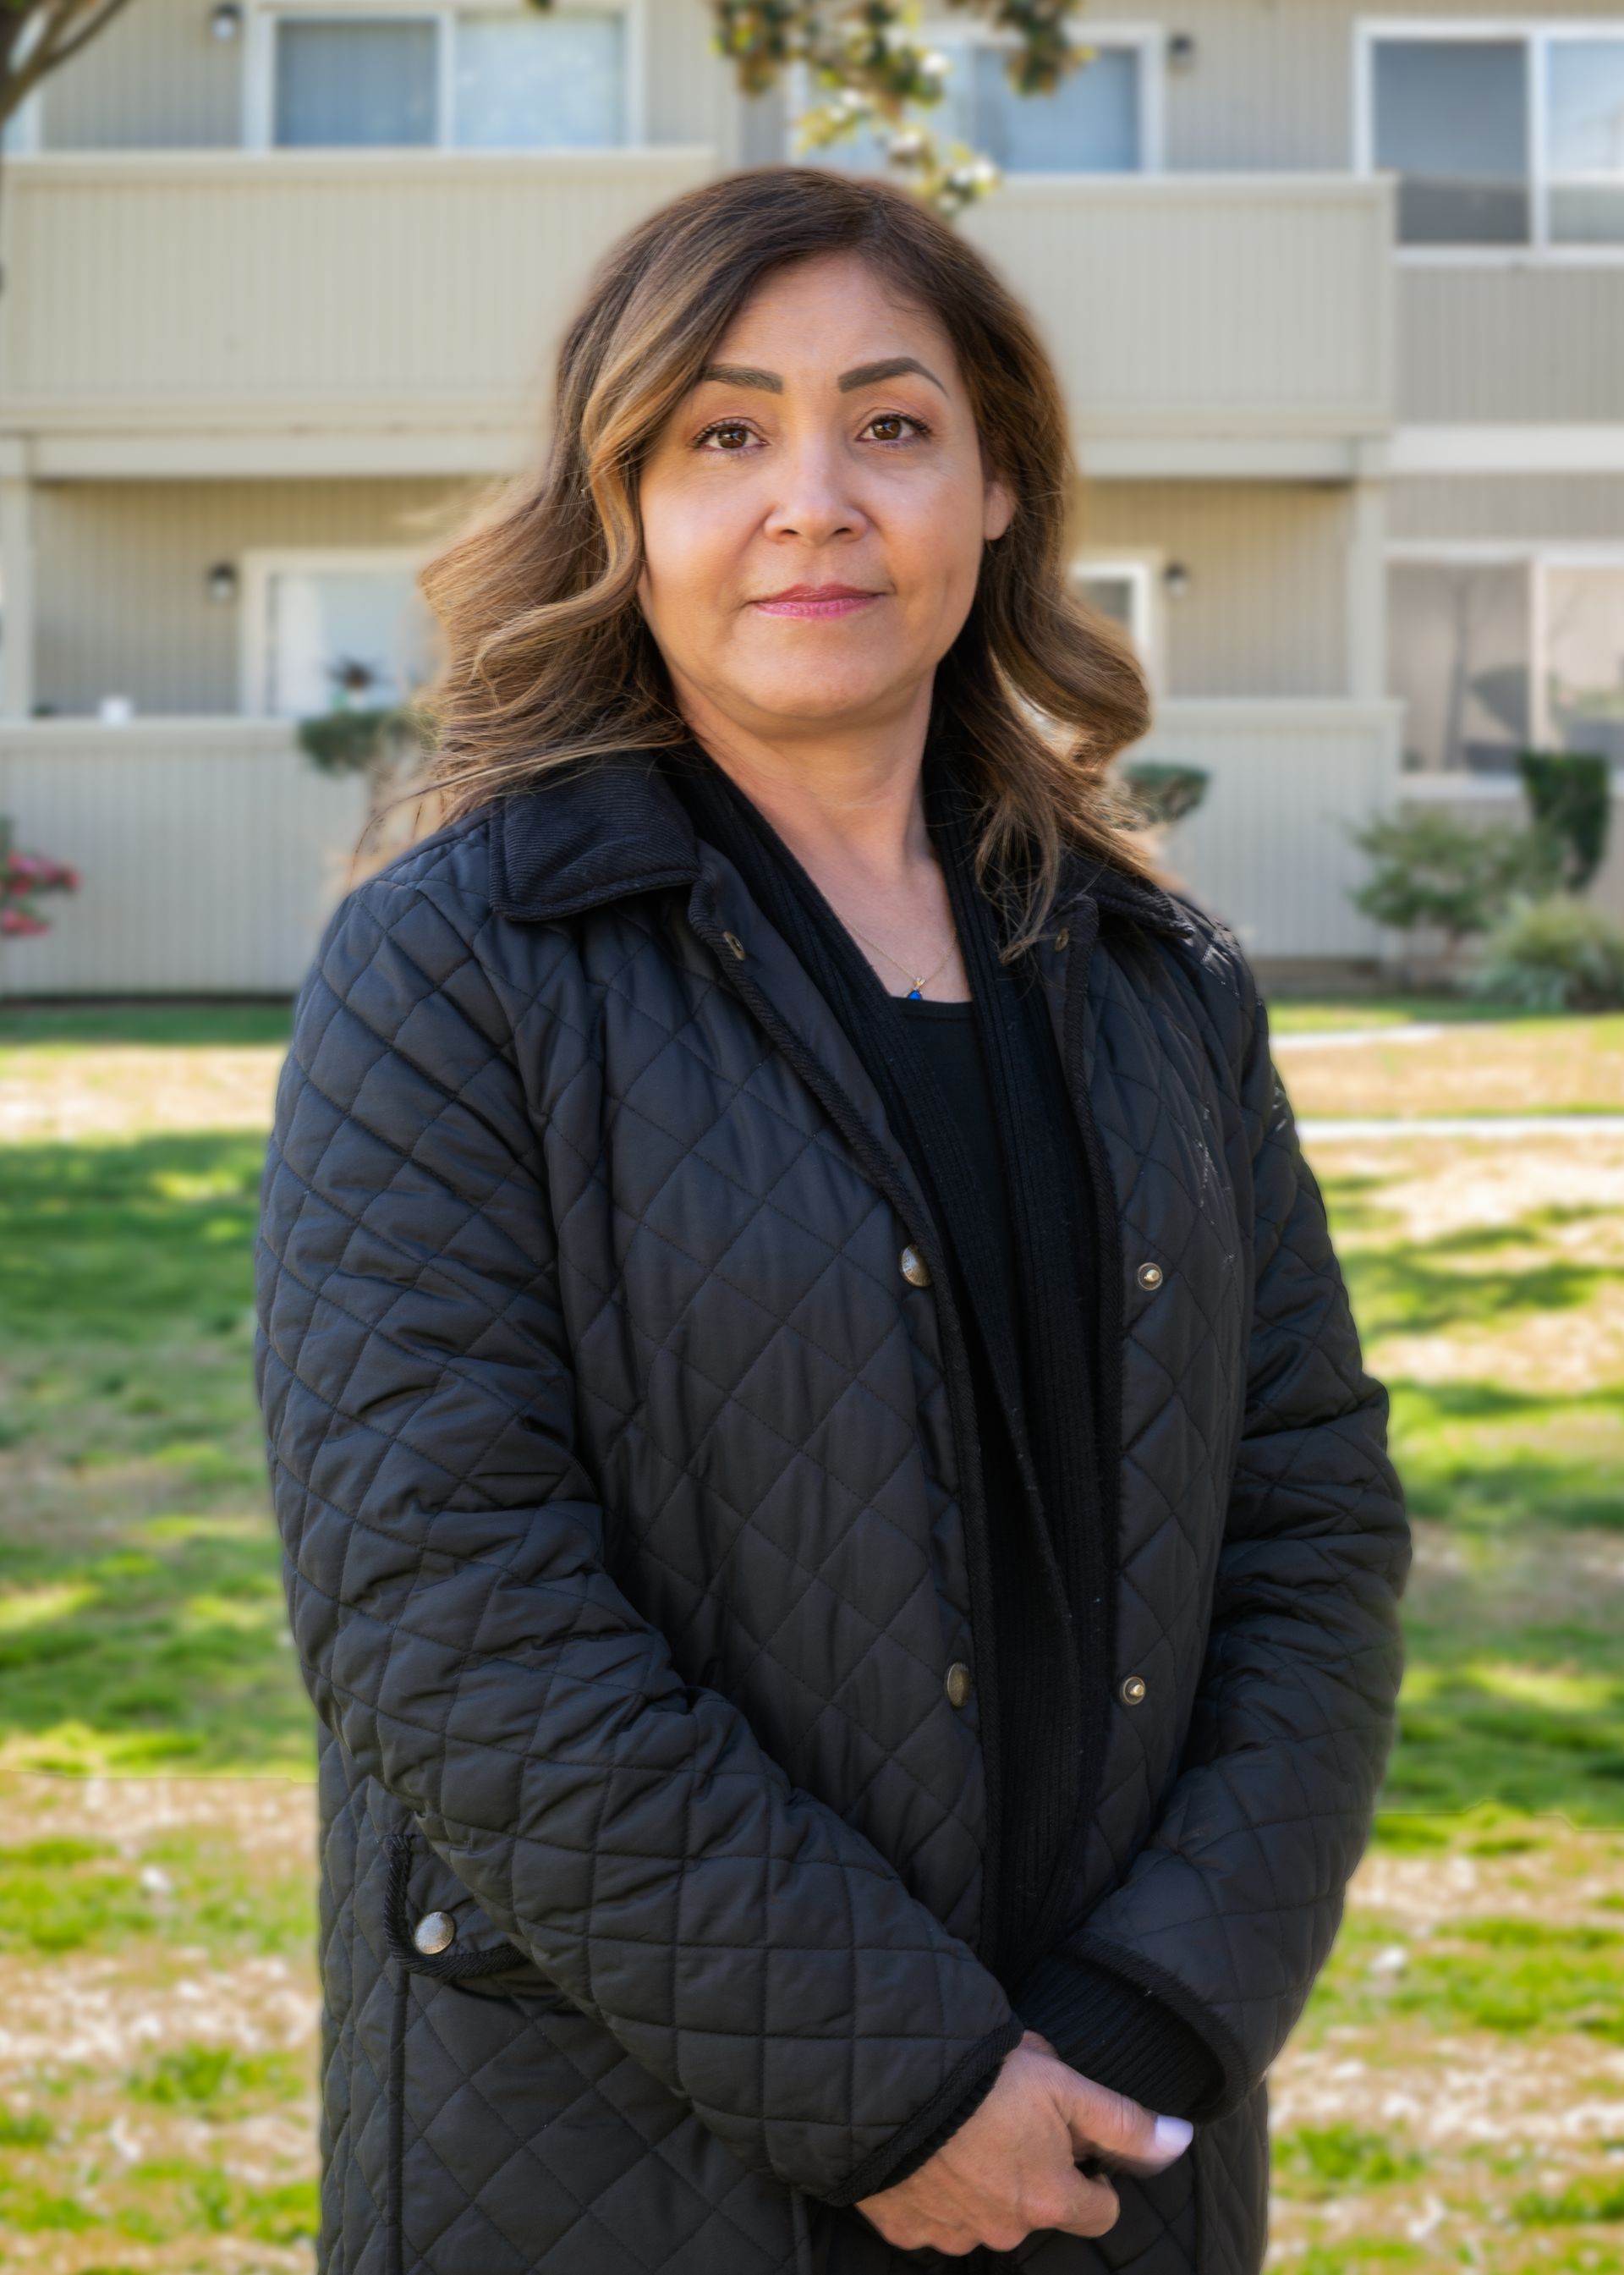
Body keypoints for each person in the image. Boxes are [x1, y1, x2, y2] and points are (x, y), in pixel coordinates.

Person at [254, 166, 1411, 2275]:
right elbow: (445, 1608)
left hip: (1106, 2144)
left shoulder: (1160, 981)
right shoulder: (459, 970)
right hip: (627, 2155)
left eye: (890, 423)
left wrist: (1149, 2014)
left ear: (994, 493)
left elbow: (1311, 1517)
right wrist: (894, 2082)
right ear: (623, 509)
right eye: (722, 432)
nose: (814, 497)